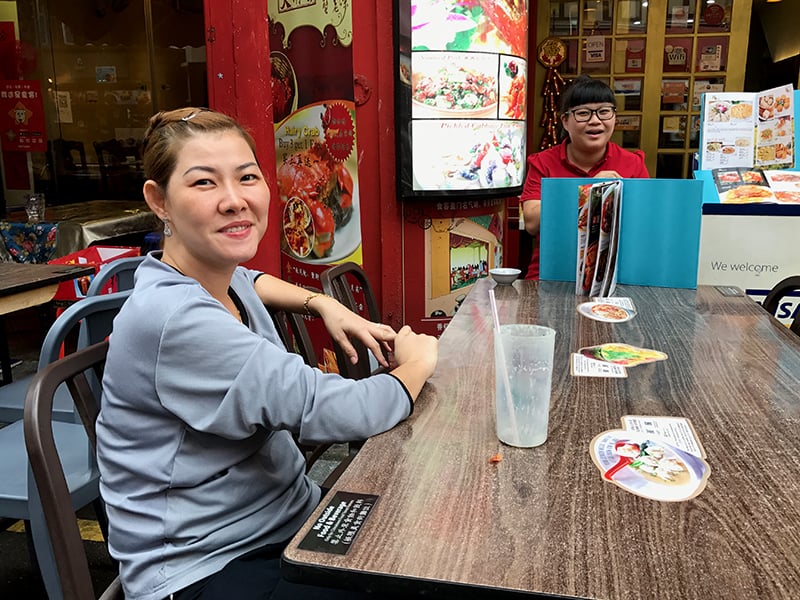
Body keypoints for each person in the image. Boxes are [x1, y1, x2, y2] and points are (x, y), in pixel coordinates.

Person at [95, 107, 439, 600]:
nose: (235, 201)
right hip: (203, 563)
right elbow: (337, 410)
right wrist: (418, 361)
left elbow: (251, 280)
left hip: (282, 517)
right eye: (203, 183)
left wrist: (320, 302)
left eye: (247, 177)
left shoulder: (216, 275)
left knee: (424, 548)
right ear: (159, 201)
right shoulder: (174, 317)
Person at [520, 74, 650, 280]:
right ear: (565, 121)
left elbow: (644, 223)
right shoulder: (542, 163)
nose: (595, 120)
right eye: (583, 113)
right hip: (551, 272)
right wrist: (590, 189)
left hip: (613, 275)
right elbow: (532, 222)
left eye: (604, 112)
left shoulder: (633, 163)